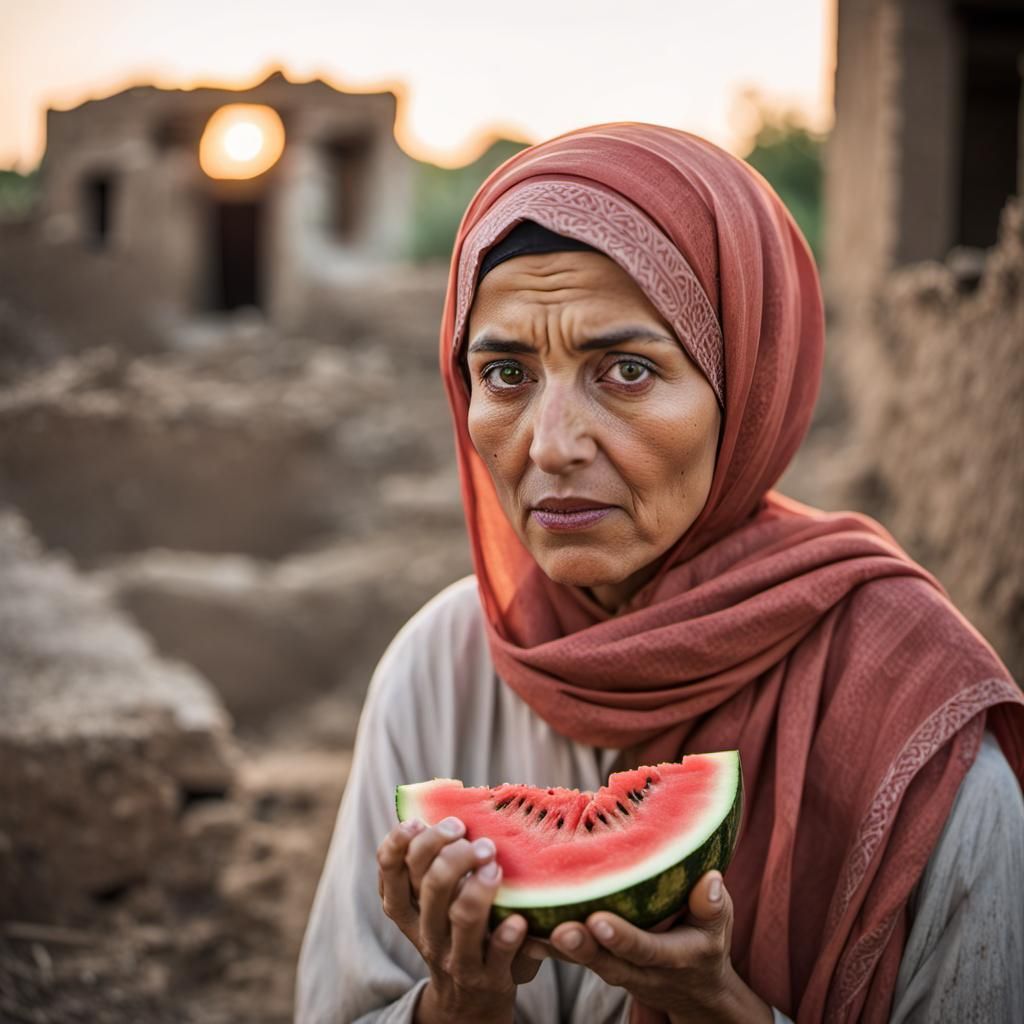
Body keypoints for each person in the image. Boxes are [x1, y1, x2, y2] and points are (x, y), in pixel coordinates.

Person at [296, 123, 1024, 1024]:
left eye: (628, 370)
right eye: (507, 372)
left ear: (748, 387)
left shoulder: (917, 717)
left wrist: (724, 1012)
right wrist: (455, 1007)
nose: (551, 445)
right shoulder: (436, 669)